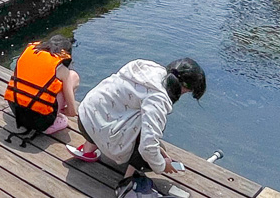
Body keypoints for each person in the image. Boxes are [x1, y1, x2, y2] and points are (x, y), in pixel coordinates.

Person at [67, 58, 206, 181]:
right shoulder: (159, 98)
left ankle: (87, 149)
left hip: (84, 118)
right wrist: (162, 166)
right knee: (153, 149)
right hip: (100, 130)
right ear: (185, 88)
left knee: (113, 107)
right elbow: (147, 148)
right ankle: (129, 179)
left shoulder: (145, 67)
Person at [4, 36, 79, 136]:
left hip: (16, 111)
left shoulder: (29, 53)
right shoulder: (61, 68)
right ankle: (52, 122)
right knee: (73, 76)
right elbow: (72, 112)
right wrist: (63, 110)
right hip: (41, 122)